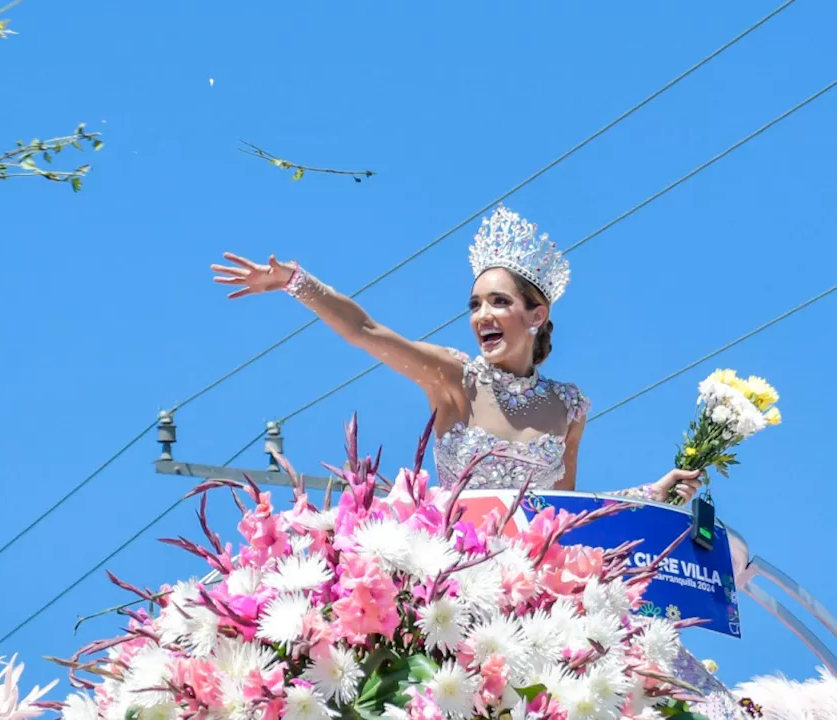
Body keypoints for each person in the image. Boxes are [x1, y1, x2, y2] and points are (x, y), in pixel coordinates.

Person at [211, 204, 748, 719]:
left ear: (536, 315)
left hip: (532, 595)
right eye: (475, 305)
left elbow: (561, 514)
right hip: (456, 583)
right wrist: (294, 282)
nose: (481, 316)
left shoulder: (570, 407)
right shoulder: (454, 377)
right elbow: (367, 332)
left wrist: (648, 495)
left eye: (497, 303)